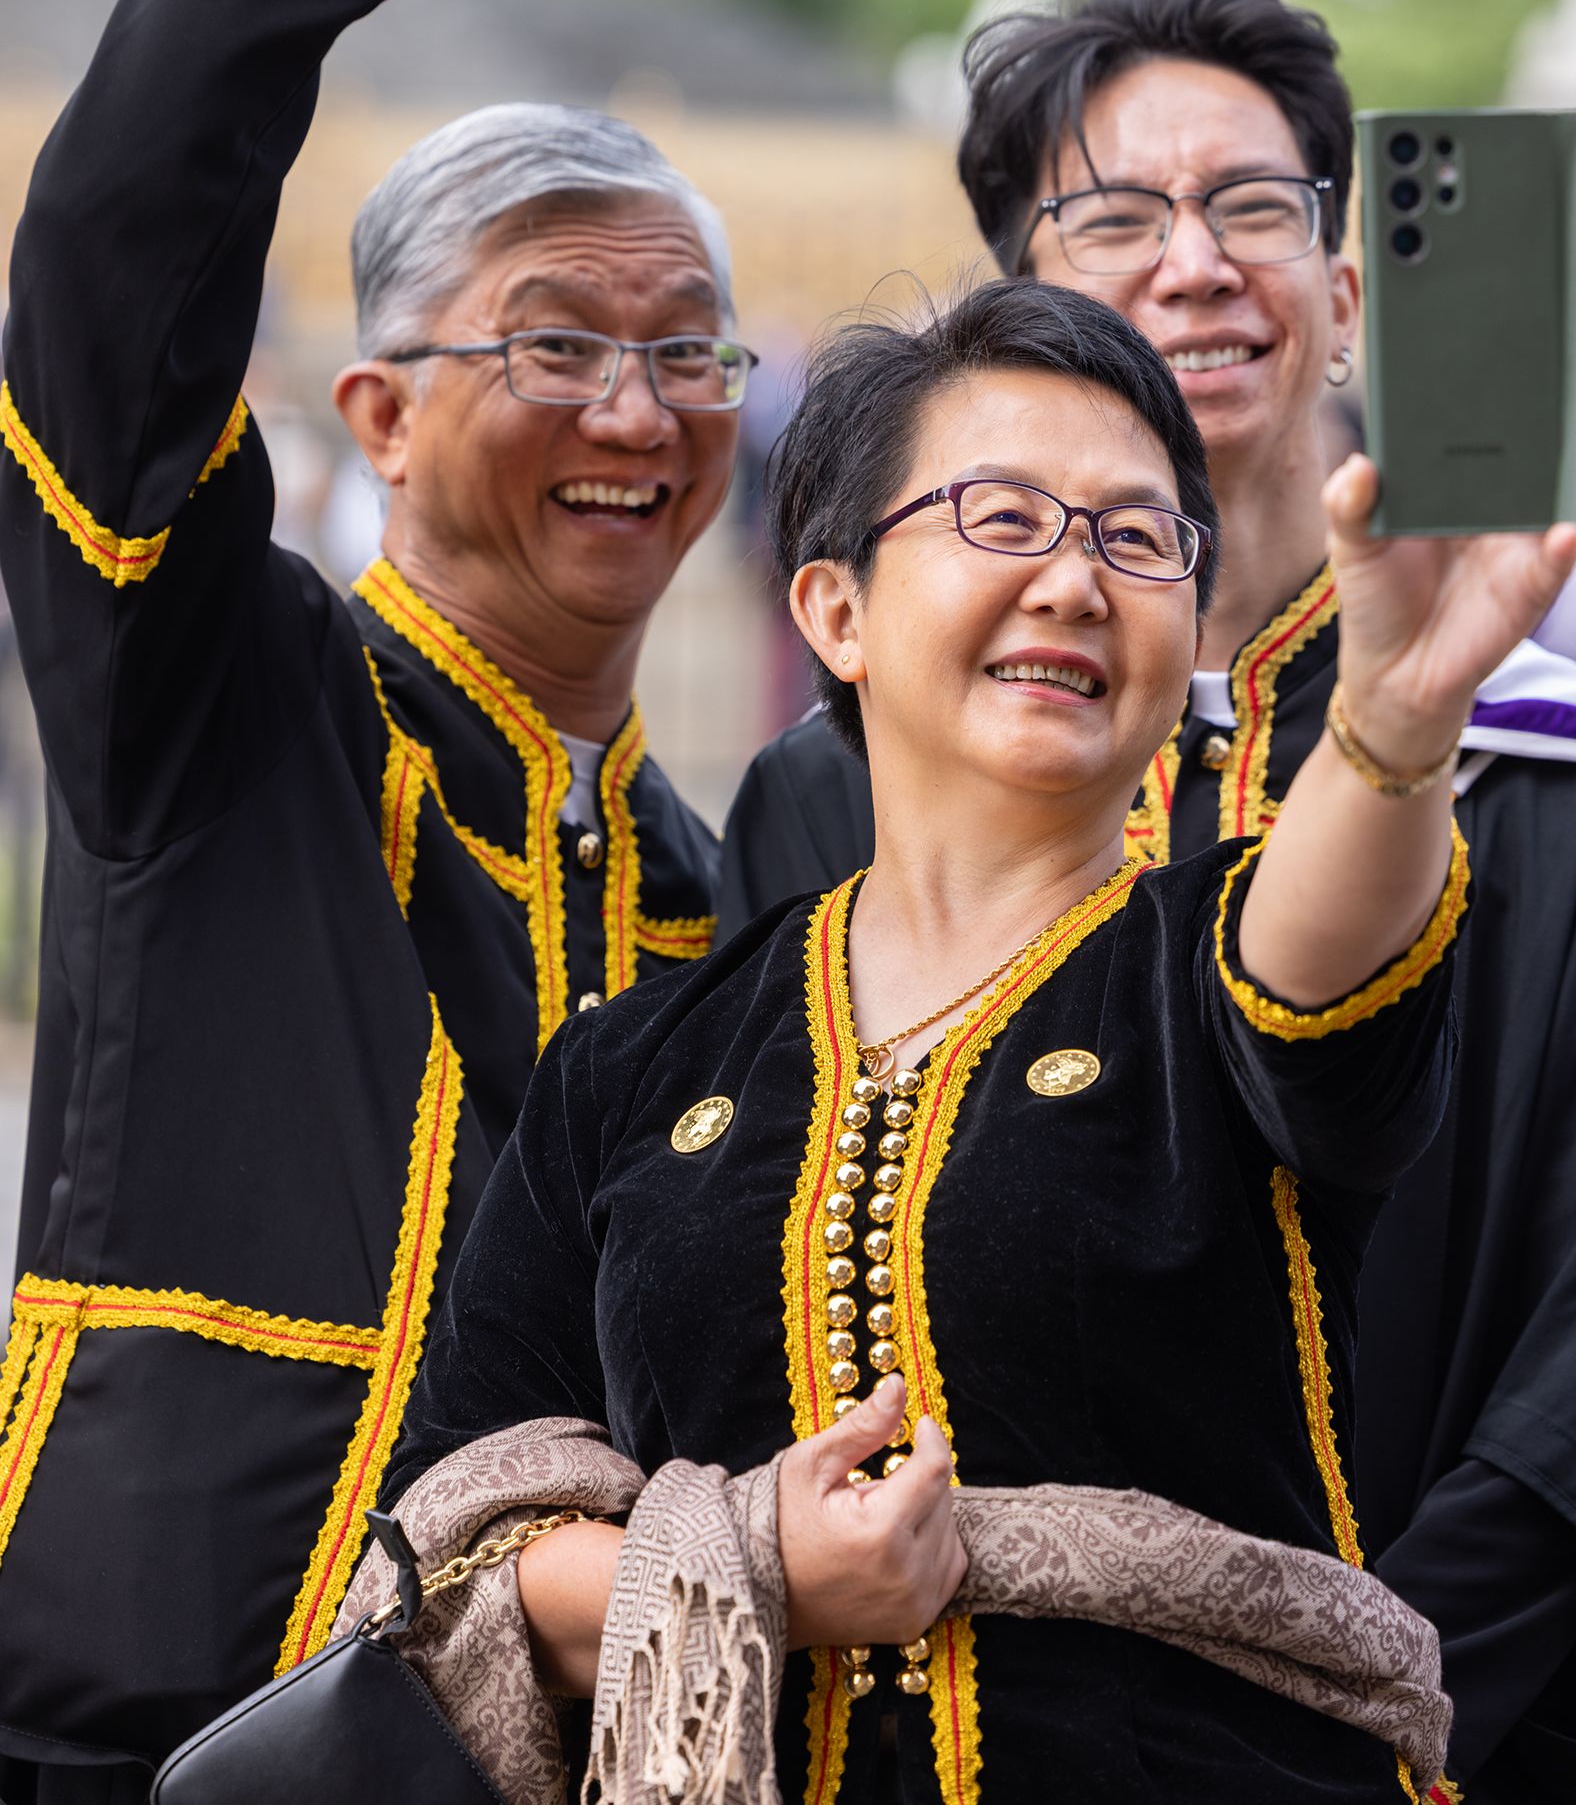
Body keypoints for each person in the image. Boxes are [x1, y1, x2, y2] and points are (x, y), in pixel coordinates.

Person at [348, 274, 1574, 1805]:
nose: (1075, 581)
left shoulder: (1209, 966)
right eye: (1003, 515)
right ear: (834, 608)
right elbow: (452, 1552)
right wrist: (760, 1565)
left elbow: (1324, 948)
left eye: (1137, 539)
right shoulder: (636, 1068)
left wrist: (1393, 723)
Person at [0, 0, 767, 1795]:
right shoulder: (227, 697)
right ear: (384, 409)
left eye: (685, 349)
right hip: (129, 1730)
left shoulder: (711, 910)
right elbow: (115, 244)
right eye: (554, 339)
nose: (636, 407)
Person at [717, 0, 1576, 1802]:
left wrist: (1404, 1678)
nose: (1197, 263)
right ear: (1022, 300)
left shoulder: (1535, 755)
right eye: (1116, 218)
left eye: (1253, 206)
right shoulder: (833, 798)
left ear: (1346, 293)